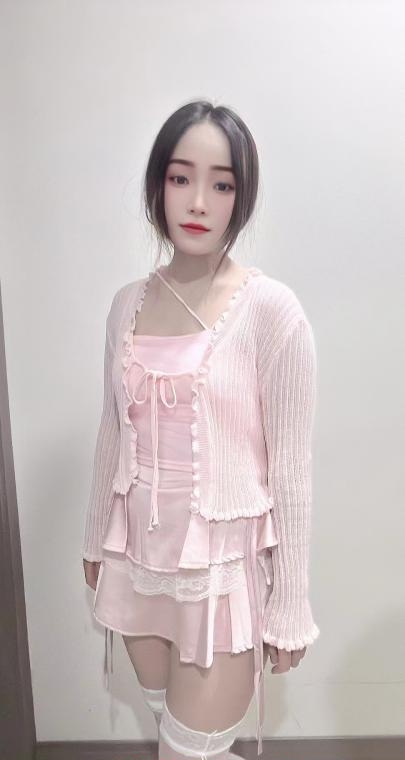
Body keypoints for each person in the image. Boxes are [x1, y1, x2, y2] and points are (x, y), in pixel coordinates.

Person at [82, 99, 320, 760]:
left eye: (222, 185)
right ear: (157, 183)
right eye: (181, 177)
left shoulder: (270, 311)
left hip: (218, 574)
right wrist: (95, 537)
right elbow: (111, 430)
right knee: (171, 728)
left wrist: (290, 602)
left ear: (242, 199)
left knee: (188, 750)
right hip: (136, 559)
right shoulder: (125, 306)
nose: (197, 202)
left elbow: (292, 468)